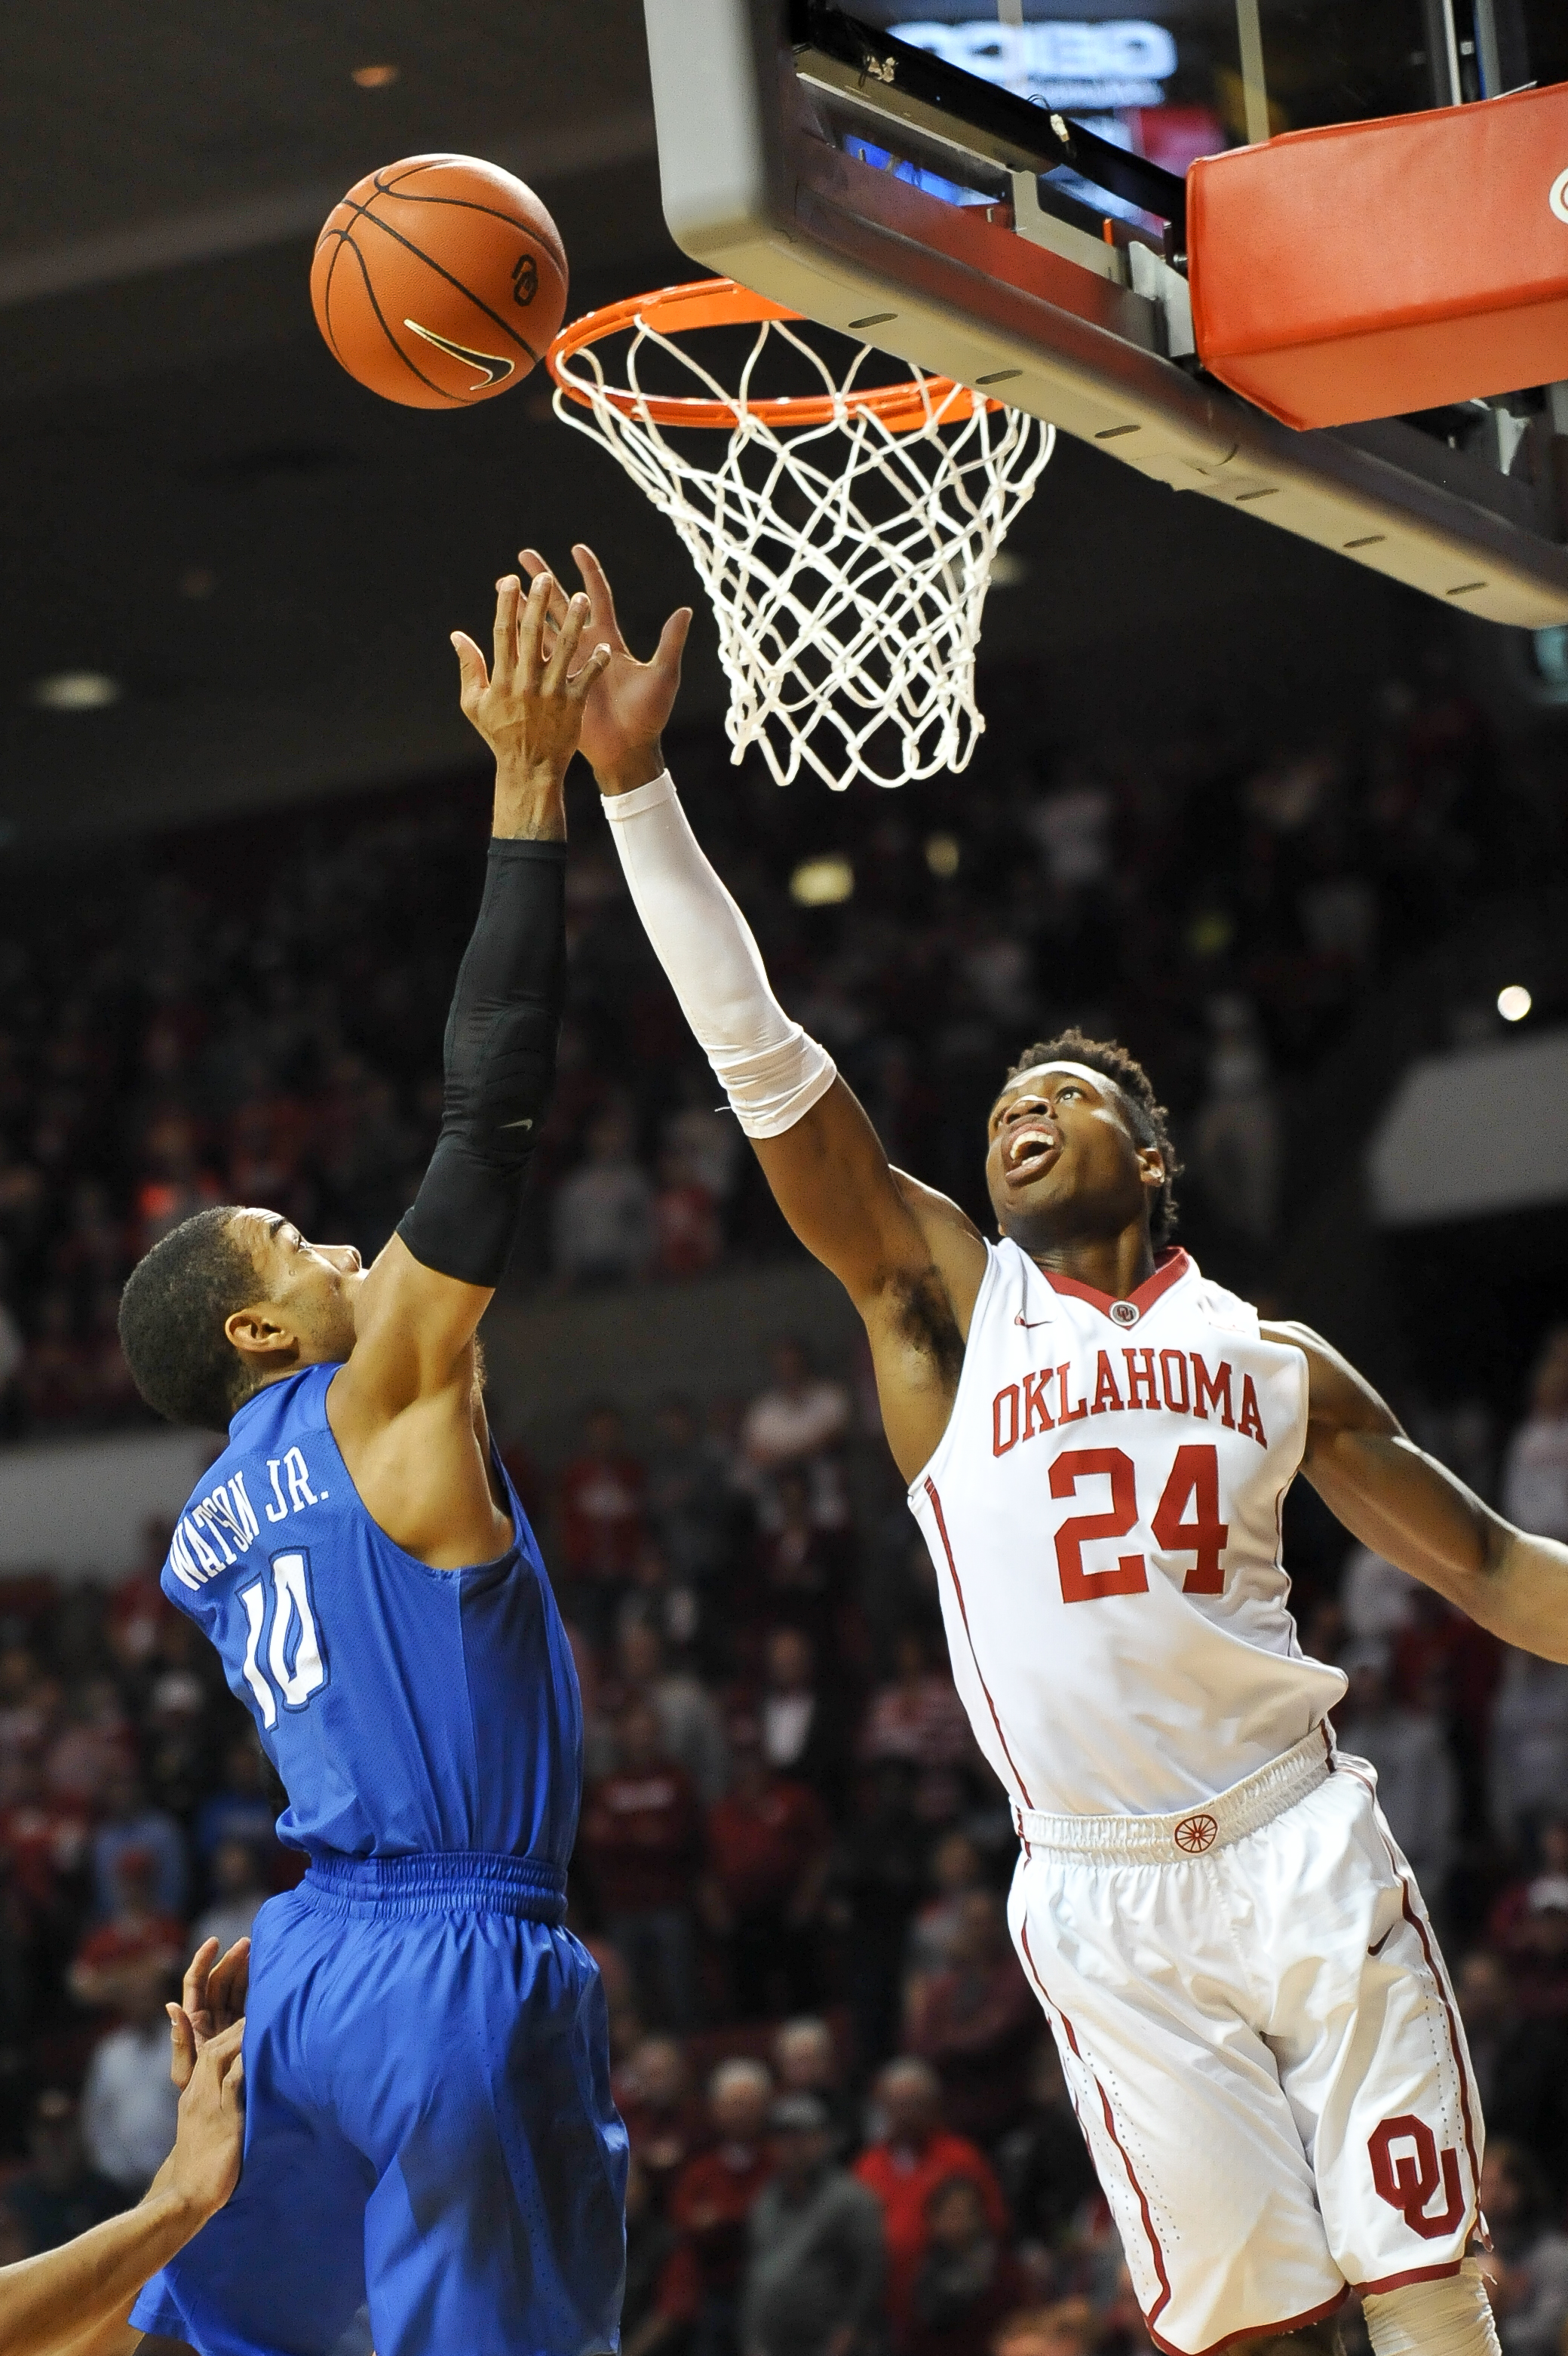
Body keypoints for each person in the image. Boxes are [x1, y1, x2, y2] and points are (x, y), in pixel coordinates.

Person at [532, 535, 1568, 2356]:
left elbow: (1486, 1568)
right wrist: (632, 787)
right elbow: (767, 1061)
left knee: (1423, 2287)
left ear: (1150, 1155)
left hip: (1299, 1830)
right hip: (1099, 1880)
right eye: (1006, 1103)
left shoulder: (1276, 1356)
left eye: (1065, 1097)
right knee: (1239, 2327)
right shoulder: (946, 1311)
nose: (1022, 1113)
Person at [111, 572, 627, 2355]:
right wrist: (528, 784)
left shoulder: (209, 1514)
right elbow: (490, 1111)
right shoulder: (381, 1390)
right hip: (451, 1969)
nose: (338, 1245)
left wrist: (332, 1926)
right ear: (259, 1333)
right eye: (292, 1243)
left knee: (211, 2344)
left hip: (314, 1957)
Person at [853, 2058, 1008, 2352]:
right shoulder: (867, 2166)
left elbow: (994, 2224)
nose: (907, 2114)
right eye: (897, 2104)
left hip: (957, 2310)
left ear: (934, 2105)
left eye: (915, 2103)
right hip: (885, 2316)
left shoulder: (961, 2157)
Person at [741, 2093, 885, 2356]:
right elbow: (758, 2271)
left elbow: (869, 2273)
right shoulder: (767, 2198)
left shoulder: (850, 2199)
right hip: (770, 2343)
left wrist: (850, 2330)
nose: (792, 2146)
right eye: (784, 2138)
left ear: (824, 2140)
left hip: (826, 2344)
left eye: (802, 2137)